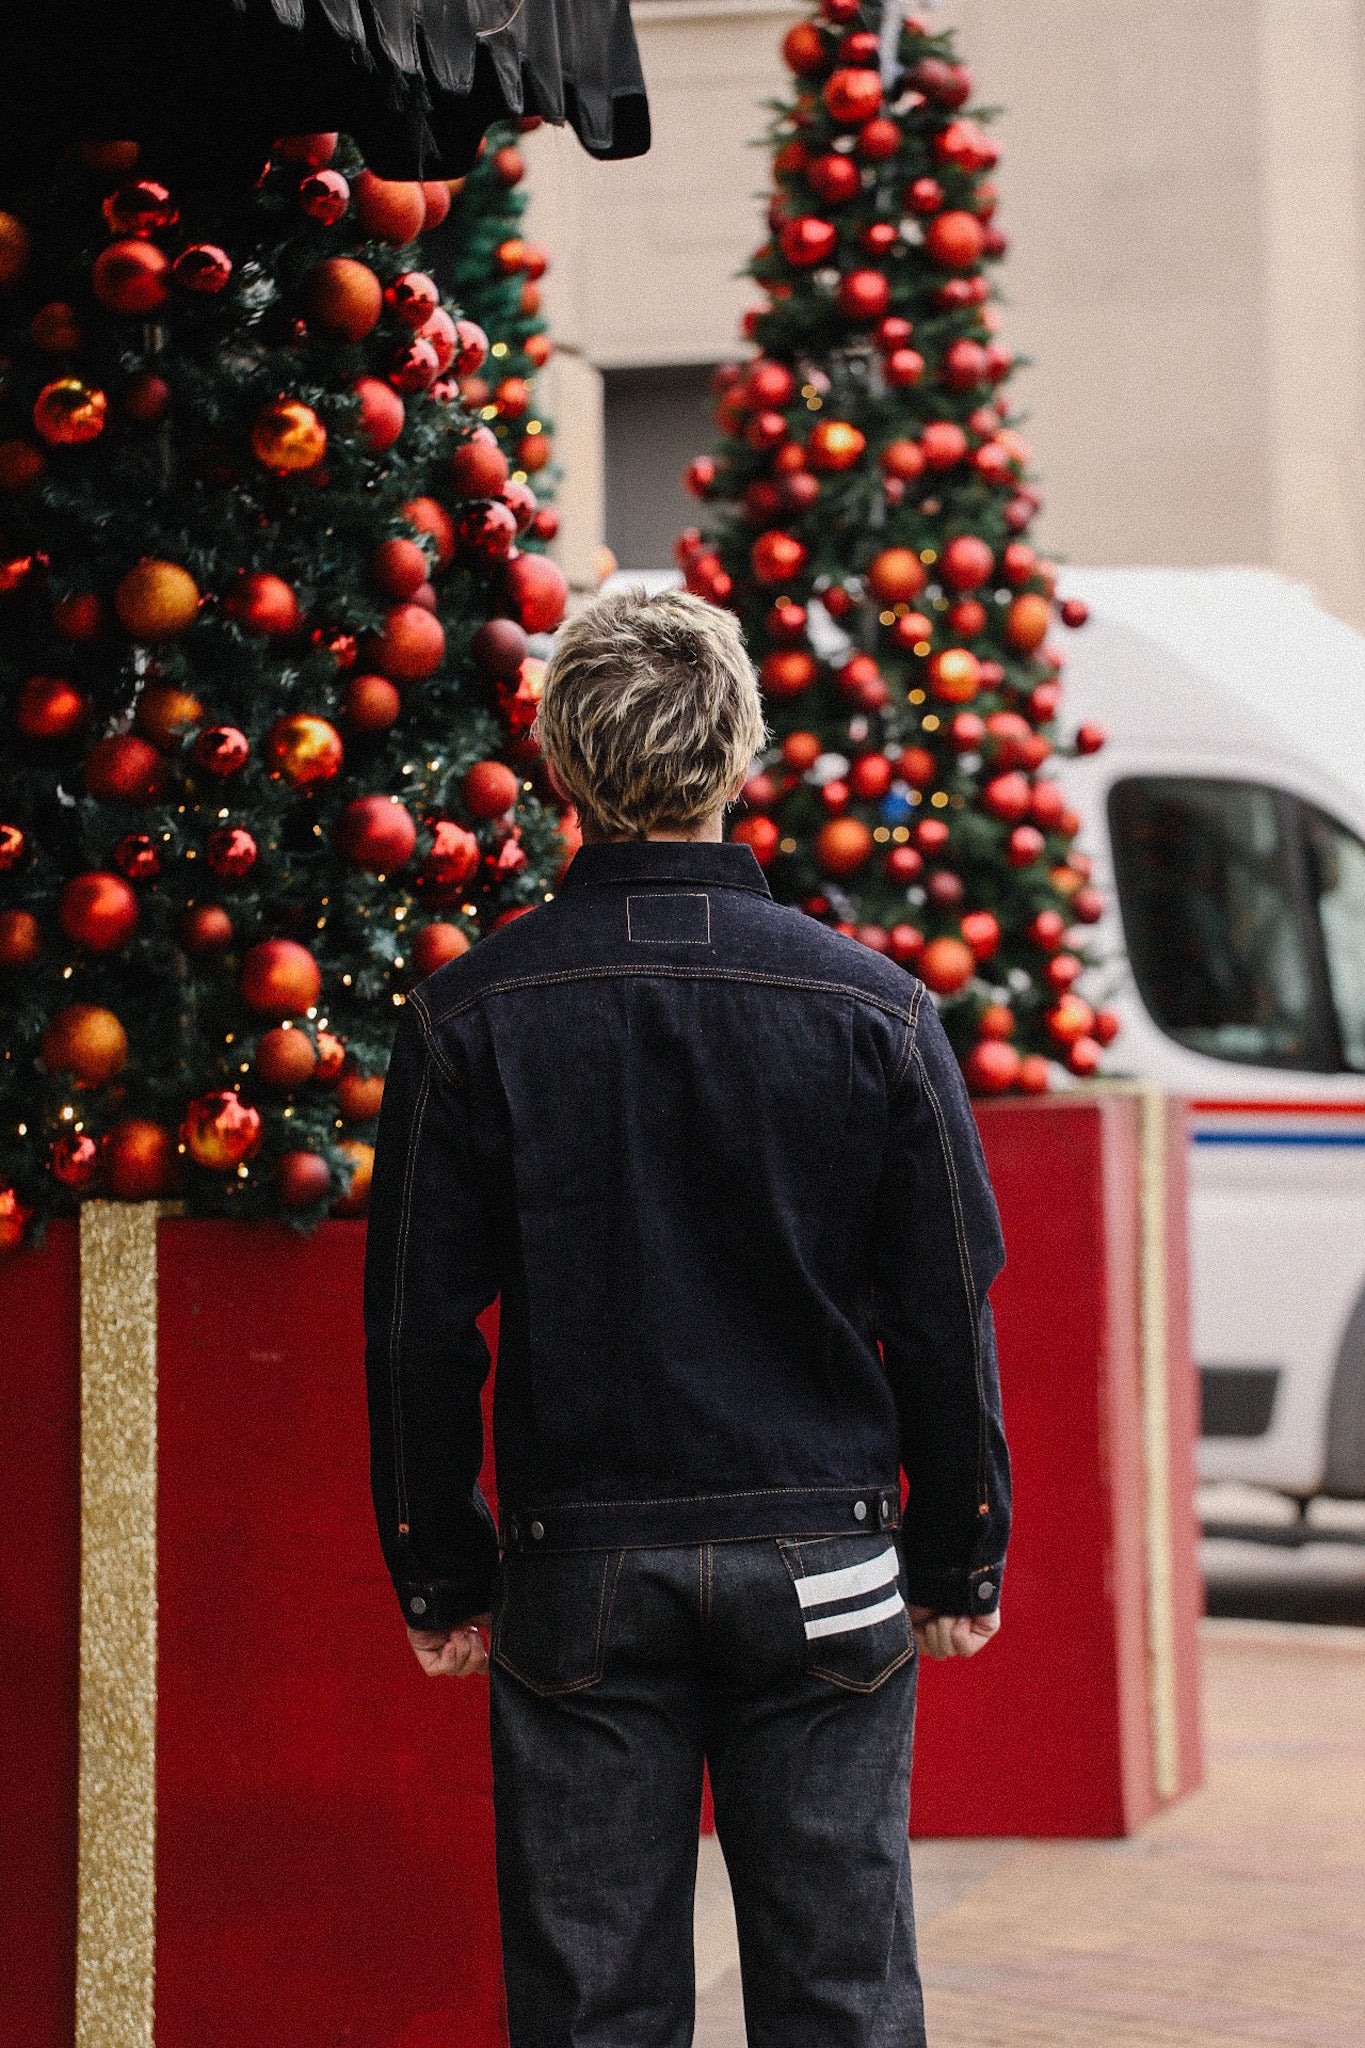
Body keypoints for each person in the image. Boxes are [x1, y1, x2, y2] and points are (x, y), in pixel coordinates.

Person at [364, 585, 1010, 2048]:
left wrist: (436, 1567)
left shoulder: (470, 1016)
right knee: (841, 1991)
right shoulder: (877, 1010)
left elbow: (415, 1326)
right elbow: (942, 1308)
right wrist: (960, 1551)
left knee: (593, 2005)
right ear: (744, 755)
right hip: (829, 1560)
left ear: (555, 771)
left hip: (576, 1563)